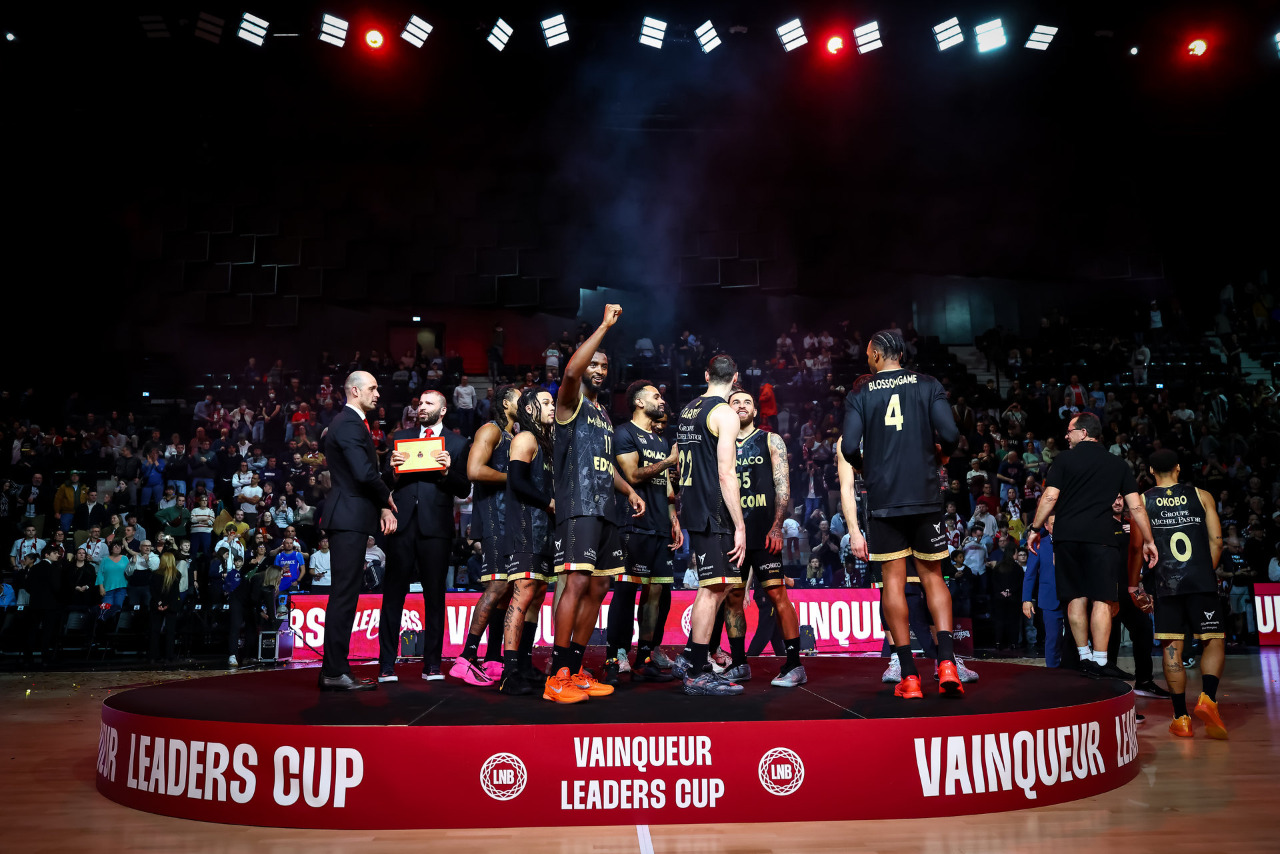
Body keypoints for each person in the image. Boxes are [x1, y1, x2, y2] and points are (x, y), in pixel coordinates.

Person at [840, 329, 964, 699]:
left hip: (885, 500)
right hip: (925, 495)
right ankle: (947, 664)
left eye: (868, 354)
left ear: (878, 354)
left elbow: (849, 446)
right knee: (933, 577)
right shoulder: (928, 384)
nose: (866, 359)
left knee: (892, 583)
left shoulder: (861, 392)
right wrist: (941, 455)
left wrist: (865, 467)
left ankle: (909, 676)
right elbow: (951, 434)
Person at [545, 304, 644, 703]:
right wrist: (603, 326)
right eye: (594, 363)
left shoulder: (603, 413)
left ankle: (575, 668)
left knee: (600, 584)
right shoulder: (569, 403)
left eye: (604, 365)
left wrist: (629, 490)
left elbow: (605, 465)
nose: (599, 370)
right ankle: (557, 676)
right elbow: (571, 372)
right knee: (577, 582)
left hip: (605, 507)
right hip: (578, 505)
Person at [1027, 411, 1158, 679]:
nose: (1066, 436)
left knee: (1075, 597)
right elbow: (1136, 507)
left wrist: (1035, 528)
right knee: (1102, 598)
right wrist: (1149, 540)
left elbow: (1049, 498)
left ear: (1083, 432)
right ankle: (1100, 660)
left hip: (1067, 538)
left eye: (1069, 431)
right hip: (1102, 538)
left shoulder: (1063, 460)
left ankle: (1084, 657)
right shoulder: (1118, 464)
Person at [1130, 449, 1228, 739]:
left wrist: (1135, 584)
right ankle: (1208, 699)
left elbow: (1136, 548)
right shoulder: (1202, 496)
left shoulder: (1142, 502)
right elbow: (1217, 542)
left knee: (1172, 646)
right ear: (1178, 467)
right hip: (1200, 581)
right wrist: (1204, 573)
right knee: (1213, 639)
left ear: (1150, 471)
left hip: (1165, 584)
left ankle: (1181, 718)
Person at [671, 353, 748, 696]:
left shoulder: (689, 409)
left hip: (694, 505)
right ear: (735, 378)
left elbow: (681, 462)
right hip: (714, 510)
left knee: (719, 585)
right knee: (713, 587)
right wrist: (740, 525)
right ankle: (696, 670)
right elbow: (726, 473)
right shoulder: (725, 413)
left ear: (706, 375)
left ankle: (692, 658)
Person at [317, 371, 398, 692]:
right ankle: (334, 671)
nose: (377, 394)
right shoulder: (349, 423)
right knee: (344, 596)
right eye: (372, 388)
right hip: (348, 517)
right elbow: (364, 474)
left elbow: (364, 473)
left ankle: (335, 669)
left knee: (346, 594)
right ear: (354, 390)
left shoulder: (350, 423)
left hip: (351, 517)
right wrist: (387, 497)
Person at [382, 389, 469, 683]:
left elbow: (463, 488)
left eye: (429, 403)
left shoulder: (457, 444)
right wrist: (393, 472)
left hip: (437, 529)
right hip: (402, 525)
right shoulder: (400, 438)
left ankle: (432, 665)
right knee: (393, 596)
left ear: (442, 410)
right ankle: (386, 665)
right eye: (420, 403)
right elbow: (384, 483)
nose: (421, 407)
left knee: (435, 597)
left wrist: (446, 473)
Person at [603, 380, 680, 685]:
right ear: (639, 402)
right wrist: (669, 461)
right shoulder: (624, 433)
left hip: (660, 526)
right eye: (655, 396)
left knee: (657, 593)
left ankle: (645, 656)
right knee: (626, 591)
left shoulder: (660, 440)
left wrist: (674, 518)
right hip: (633, 524)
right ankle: (616, 654)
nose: (661, 400)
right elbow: (632, 475)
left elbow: (666, 486)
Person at [728, 387, 806, 686]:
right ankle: (739, 663)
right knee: (734, 597)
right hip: (734, 534)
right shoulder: (720, 444)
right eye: (735, 401)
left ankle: (795, 664)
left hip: (763, 532)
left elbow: (782, 485)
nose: (742, 405)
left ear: (755, 410)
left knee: (777, 595)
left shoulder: (770, 439)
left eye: (747, 402)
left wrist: (777, 525)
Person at [453, 385, 519, 685]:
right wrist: (514, 479)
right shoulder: (490, 430)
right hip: (494, 520)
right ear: (505, 404)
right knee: (497, 586)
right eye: (519, 399)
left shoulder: (512, 435)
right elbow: (474, 470)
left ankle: (492, 659)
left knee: (506, 589)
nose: (525, 404)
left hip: (510, 521)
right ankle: (466, 658)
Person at [495, 389, 558, 695]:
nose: (552, 406)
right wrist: (549, 503)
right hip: (524, 528)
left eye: (552, 402)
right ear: (530, 408)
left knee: (538, 594)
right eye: (545, 402)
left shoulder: (547, 442)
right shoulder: (525, 438)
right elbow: (517, 481)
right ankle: (509, 672)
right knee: (523, 594)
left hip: (544, 530)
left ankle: (523, 663)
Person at [1023, 517, 1065, 667]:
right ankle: (1052, 672)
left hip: (1072, 598)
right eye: (1053, 524)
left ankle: (1072, 671)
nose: (1057, 526)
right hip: (1050, 598)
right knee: (1053, 638)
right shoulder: (1038, 544)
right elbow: (1030, 574)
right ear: (1046, 526)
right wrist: (1026, 599)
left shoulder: (1071, 542)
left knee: (1075, 640)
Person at [149, 551, 182, 663]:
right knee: (170, 631)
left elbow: (153, 591)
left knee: (155, 631)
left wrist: (159, 603)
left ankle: (154, 655)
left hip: (157, 604)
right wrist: (167, 604)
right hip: (171, 605)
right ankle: (169, 655)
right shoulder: (177, 574)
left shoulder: (155, 574)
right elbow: (175, 593)